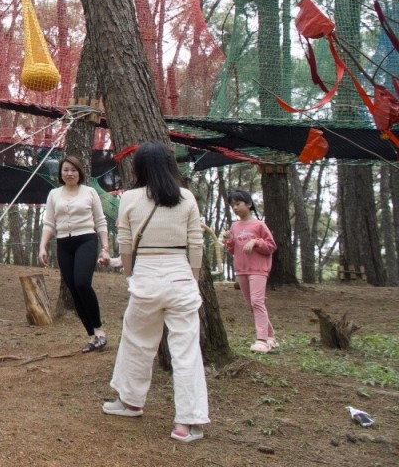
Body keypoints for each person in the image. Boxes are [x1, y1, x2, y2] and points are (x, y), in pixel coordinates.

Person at [104, 141, 208, 444]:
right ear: (170, 165)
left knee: (136, 342)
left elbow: (125, 242)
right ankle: (186, 424)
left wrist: (130, 276)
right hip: (180, 276)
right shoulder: (186, 197)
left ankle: (131, 402)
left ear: (139, 167)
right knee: (186, 352)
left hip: (146, 276)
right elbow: (196, 244)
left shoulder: (130, 198)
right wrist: (193, 280)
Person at [38, 154, 110, 352]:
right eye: (66, 170)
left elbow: (101, 220)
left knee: (82, 283)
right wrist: (42, 246)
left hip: (86, 239)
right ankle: (91, 336)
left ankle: (100, 330)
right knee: (73, 289)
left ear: (80, 173)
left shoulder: (89, 192)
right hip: (63, 243)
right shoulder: (54, 194)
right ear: (60, 174)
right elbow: (49, 223)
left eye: (73, 170)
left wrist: (105, 247)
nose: (70, 174)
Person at [222, 189, 278, 354]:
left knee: (257, 302)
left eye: (238, 204)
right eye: (232, 205)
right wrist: (229, 241)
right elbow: (233, 250)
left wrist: (256, 242)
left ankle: (261, 340)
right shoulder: (234, 226)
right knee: (251, 304)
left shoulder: (259, 225)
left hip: (258, 269)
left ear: (249, 204)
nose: (235, 208)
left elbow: (271, 246)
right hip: (241, 269)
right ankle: (270, 336)